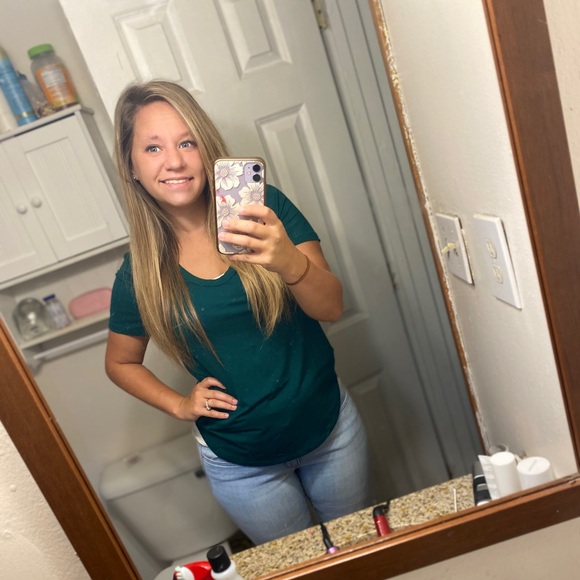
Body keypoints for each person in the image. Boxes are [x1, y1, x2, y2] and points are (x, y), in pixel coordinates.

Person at [105, 79, 371, 545]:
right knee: (297, 570)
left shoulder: (264, 210)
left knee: (361, 550)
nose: (174, 161)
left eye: (187, 142)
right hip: (242, 467)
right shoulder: (140, 273)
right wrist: (179, 404)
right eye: (153, 147)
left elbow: (331, 306)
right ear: (131, 166)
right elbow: (120, 362)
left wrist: (286, 260)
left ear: (205, 148)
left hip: (331, 432)